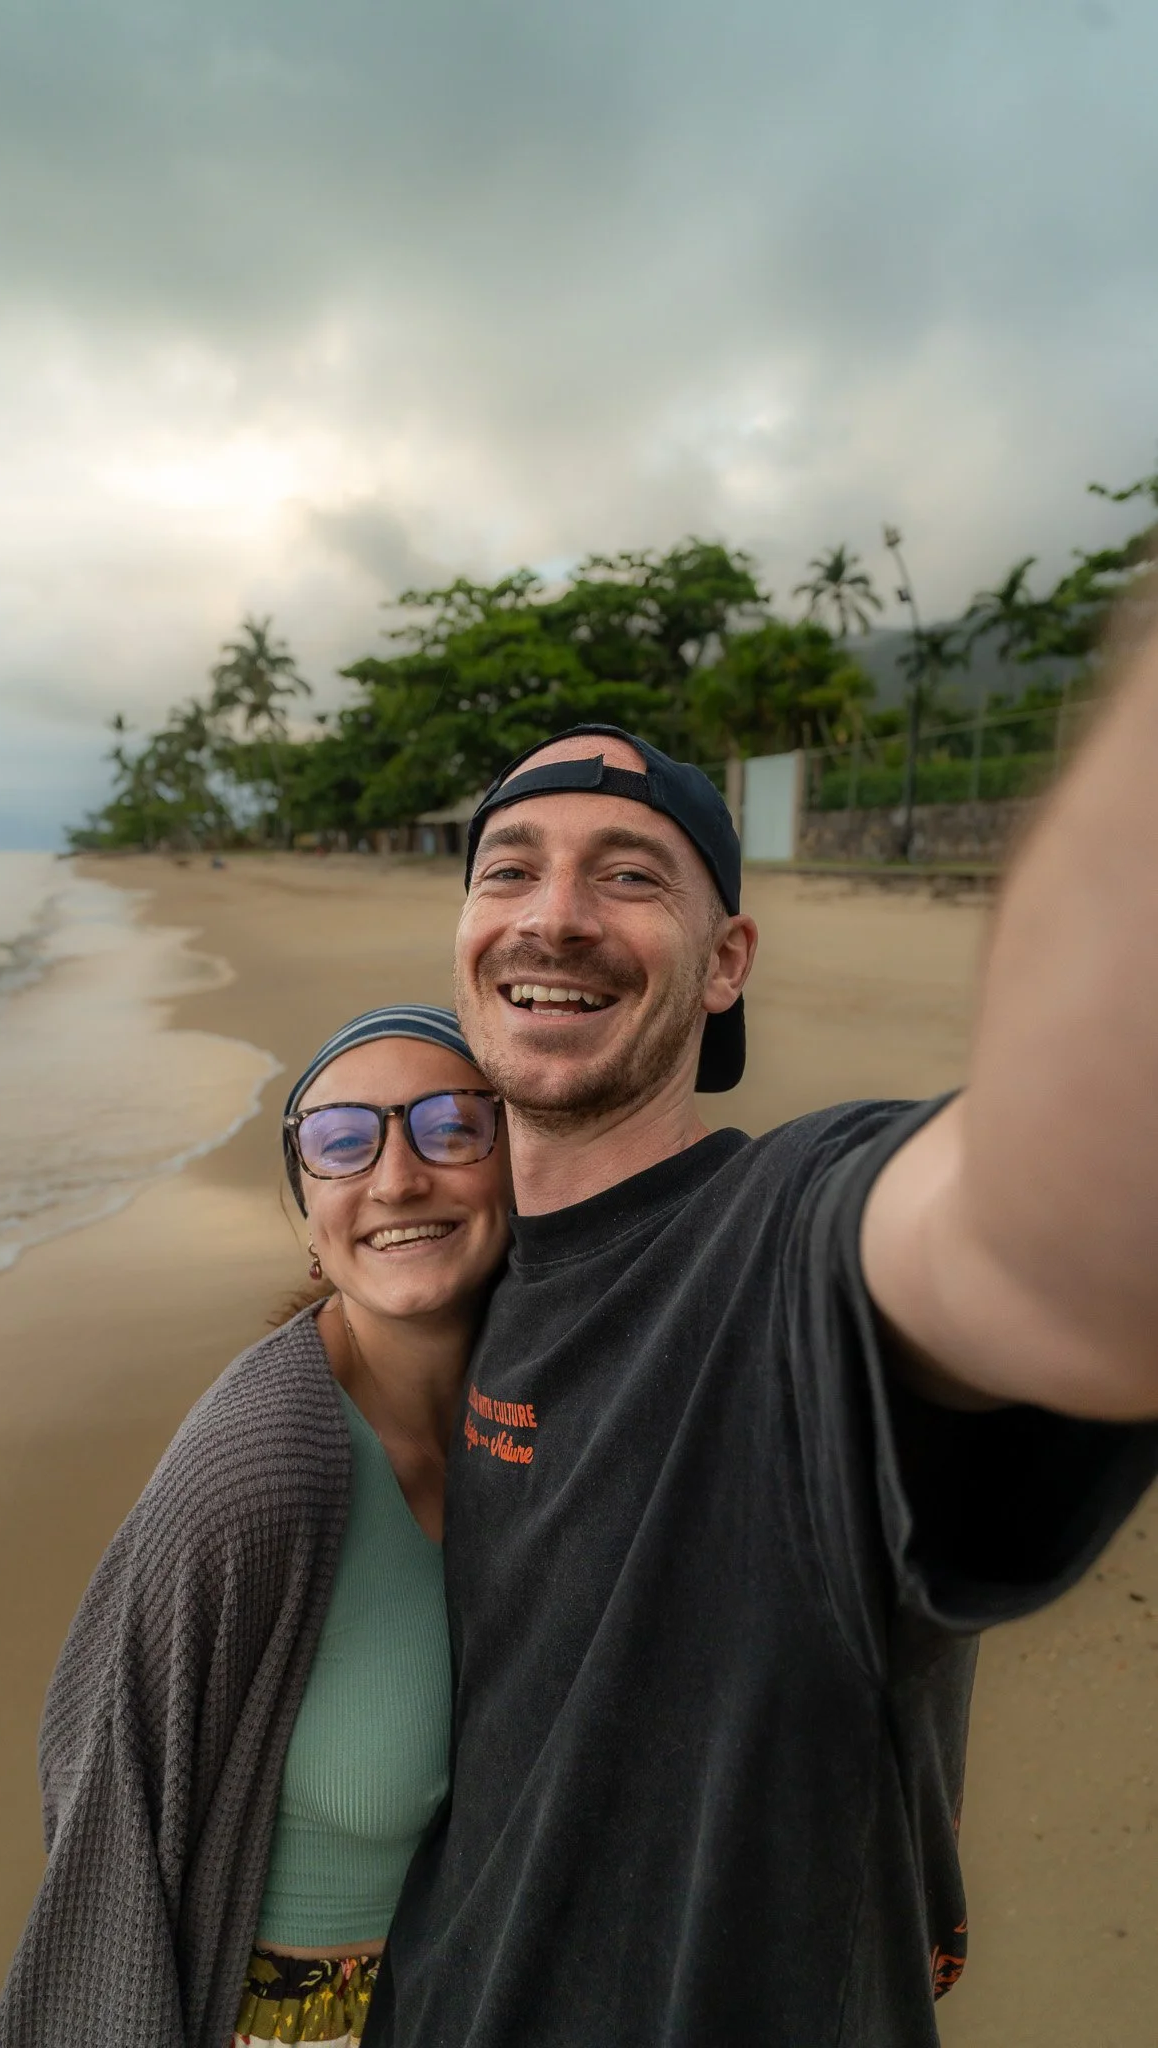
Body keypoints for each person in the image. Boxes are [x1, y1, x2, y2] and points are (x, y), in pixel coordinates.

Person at [367, 614, 1158, 2047]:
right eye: (510, 870)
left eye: (628, 876)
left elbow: (1078, 1243)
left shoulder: (785, 1241)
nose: (553, 916)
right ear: (465, 933)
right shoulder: (433, 1287)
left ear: (725, 959)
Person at [0, 1005, 511, 2048]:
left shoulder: (551, 1408)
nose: (398, 1176)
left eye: (451, 1124)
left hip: (485, 1987)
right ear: (307, 1209)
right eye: (343, 1141)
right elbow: (101, 1776)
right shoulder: (258, 1466)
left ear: (514, 1159)